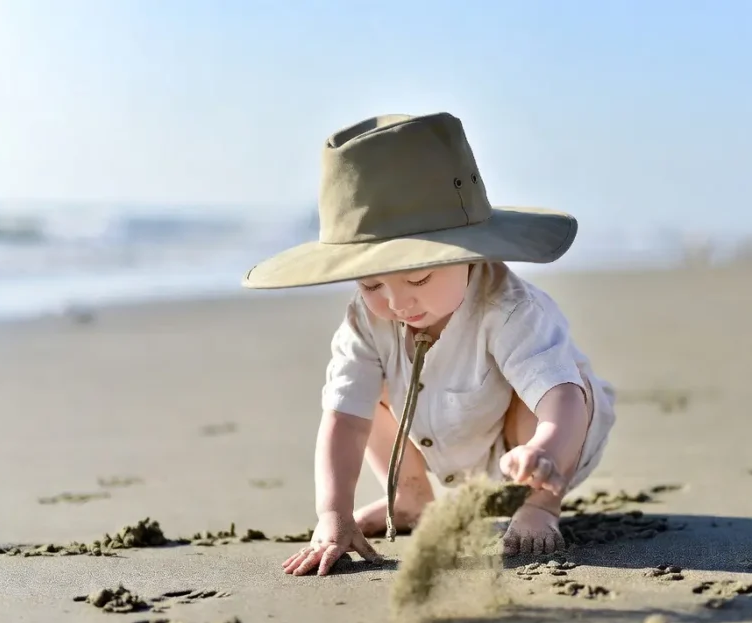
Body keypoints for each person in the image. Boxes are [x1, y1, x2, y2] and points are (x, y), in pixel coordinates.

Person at [242, 112, 616, 576]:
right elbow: (344, 419)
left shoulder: (509, 309)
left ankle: (539, 506)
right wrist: (333, 513)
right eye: (371, 284)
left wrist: (545, 448)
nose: (398, 302)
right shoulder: (367, 322)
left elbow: (563, 399)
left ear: (468, 252)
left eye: (418, 278)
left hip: (553, 444)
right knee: (363, 390)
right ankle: (411, 497)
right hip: (448, 439)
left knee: (556, 385)